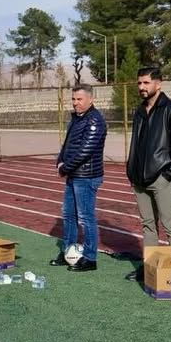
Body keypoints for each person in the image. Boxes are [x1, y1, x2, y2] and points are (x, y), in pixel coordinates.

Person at [125, 66, 171, 281]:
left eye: (146, 83)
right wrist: (131, 170)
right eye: (139, 83)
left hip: (161, 177)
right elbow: (136, 143)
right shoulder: (139, 111)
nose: (142, 87)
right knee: (148, 226)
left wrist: (169, 174)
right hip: (139, 178)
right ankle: (150, 269)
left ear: (158, 83)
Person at [49, 85, 107, 272]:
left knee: (86, 217)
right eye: (73, 99)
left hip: (87, 176)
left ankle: (90, 258)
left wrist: (65, 167)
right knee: (68, 215)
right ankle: (68, 252)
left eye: (79, 99)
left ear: (90, 99)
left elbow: (85, 151)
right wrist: (60, 161)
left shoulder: (94, 121)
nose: (75, 103)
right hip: (74, 174)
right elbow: (68, 145)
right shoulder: (76, 119)